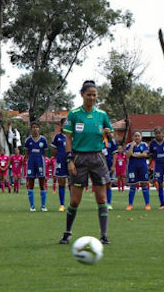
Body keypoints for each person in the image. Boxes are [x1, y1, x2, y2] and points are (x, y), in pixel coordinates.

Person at [59, 80, 113, 246]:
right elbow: (67, 138)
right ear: (82, 94)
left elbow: (110, 138)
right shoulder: (74, 114)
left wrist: (108, 134)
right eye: (89, 94)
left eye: (94, 95)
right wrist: (69, 160)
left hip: (97, 157)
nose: (92, 97)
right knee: (75, 200)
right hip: (79, 158)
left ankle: (103, 235)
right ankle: (67, 233)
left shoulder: (102, 115)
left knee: (102, 198)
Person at [24, 122, 48, 212]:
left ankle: (43, 206)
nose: (35, 129)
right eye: (33, 127)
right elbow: (26, 153)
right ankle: (32, 206)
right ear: (31, 129)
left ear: (39, 129)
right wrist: (28, 160)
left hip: (40, 163)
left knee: (42, 184)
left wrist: (41, 158)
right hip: (31, 163)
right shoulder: (28, 140)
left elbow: (45, 153)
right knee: (31, 184)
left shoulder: (43, 140)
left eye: (36, 127)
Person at [125, 131, 151, 211]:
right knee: (133, 185)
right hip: (132, 167)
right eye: (135, 136)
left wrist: (134, 155)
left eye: (138, 136)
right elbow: (128, 156)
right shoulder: (129, 145)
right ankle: (130, 205)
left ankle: (147, 204)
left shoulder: (144, 145)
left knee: (144, 185)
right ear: (133, 137)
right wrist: (132, 147)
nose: (137, 137)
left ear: (141, 137)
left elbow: (144, 154)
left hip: (142, 167)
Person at [51, 119, 68, 211]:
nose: (66, 125)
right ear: (61, 125)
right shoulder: (57, 137)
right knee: (61, 182)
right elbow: (53, 150)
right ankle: (62, 205)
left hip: (70, 162)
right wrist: (60, 156)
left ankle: (72, 204)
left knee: (72, 182)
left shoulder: (72, 136)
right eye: (64, 123)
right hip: (60, 162)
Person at [102, 133, 117, 210]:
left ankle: (109, 203)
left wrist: (113, 166)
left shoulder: (111, 141)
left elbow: (114, 154)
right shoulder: (98, 140)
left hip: (109, 166)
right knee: (101, 185)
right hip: (99, 166)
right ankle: (102, 203)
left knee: (108, 184)